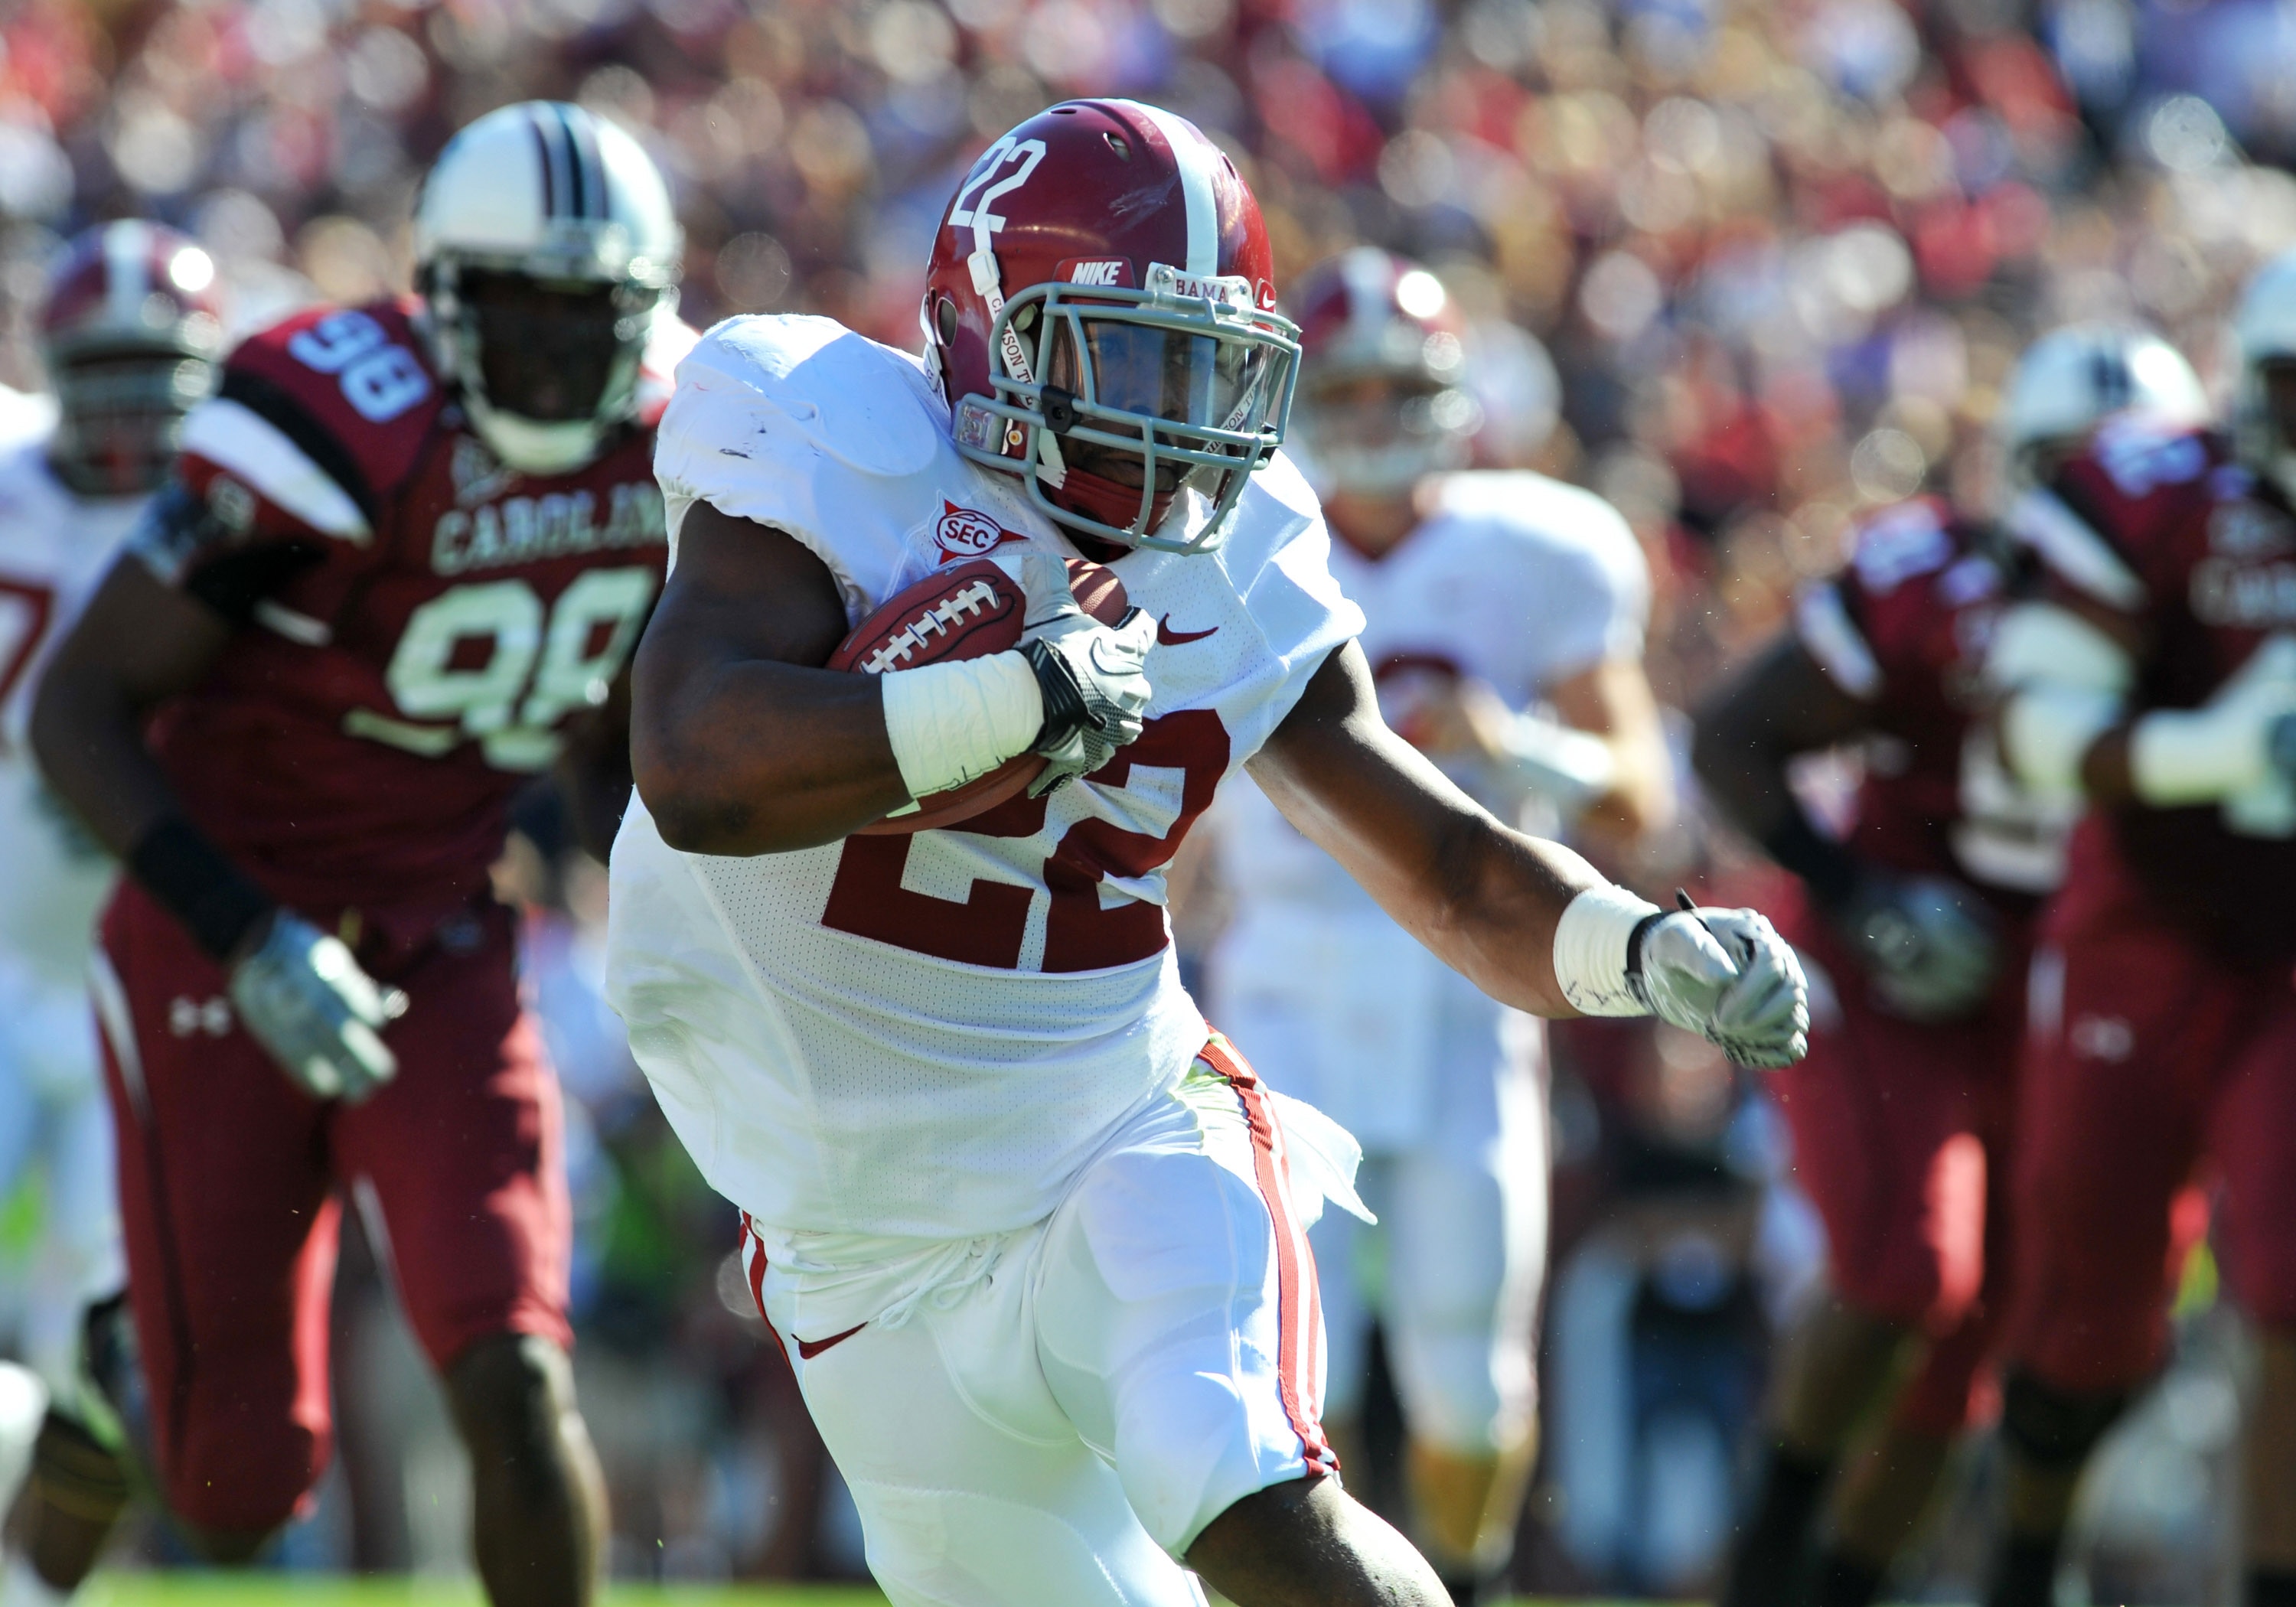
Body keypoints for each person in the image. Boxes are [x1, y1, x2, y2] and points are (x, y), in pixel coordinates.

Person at [604, 96, 1808, 1607]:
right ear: (990, 331)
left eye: (1206, 363)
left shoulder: (1234, 552)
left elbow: (1436, 855)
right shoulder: (835, 445)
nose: (1176, 414)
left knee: (1235, 1482)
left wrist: (1638, 948)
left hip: (1115, 1122)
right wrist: (1018, 700)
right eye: (1128, 355)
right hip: (858, 1246)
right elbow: (700, 765)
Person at [20, 101, 688, 1607]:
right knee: (237, 1490)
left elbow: (612, 733)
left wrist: (655, 899)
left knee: (515, 1369)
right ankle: (115, 1378)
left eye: (589, 324)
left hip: (442, 929)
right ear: (441, 304)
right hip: (220, 921)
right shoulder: (340, 422)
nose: (555, 363)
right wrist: (250, 936)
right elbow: (78, 708)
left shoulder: (681, 436)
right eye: (517, 322)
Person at [1696, 324, 2210, 1607]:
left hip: (2082, 982)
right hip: (1901, 971)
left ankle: (1859, 1585)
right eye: (2074, 478)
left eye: (2132, 483)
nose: (2103, 518)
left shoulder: (2227, 618)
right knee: (1907, 1267)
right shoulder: (1933, 584)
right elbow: (1733, 740)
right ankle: (1769, 1561)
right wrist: (1862, 892)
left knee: (2002, 1341)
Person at [1198, 246, 1673, 1600]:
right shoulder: (1233, 527)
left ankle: (1468, 1584)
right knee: (1292, 1362)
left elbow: (1640, 790)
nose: (1368, 420)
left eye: (1399, 387)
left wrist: (1526, 750)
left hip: (1471, 984)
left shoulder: (1540, 547)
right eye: (1342, 390)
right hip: (1281, 979)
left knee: (1472, 1370)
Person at [1981, 256, 2296, 1607]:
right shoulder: (2161, 495)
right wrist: (2214, 750)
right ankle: (2026, 1562)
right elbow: (2029, 726)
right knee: (2090, 1304)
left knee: (2290, 1276)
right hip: (2146, 929)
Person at [0, 221, 225, 1597]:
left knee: (115, 1329)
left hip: (139, 983)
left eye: (163, 370)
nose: (137, 405)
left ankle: (34, 1586)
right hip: (2, 950)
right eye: (110, 368)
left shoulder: (249, 518)